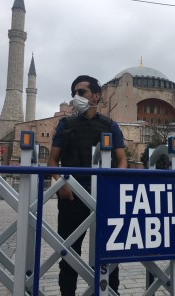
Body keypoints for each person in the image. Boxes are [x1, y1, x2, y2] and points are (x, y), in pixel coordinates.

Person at [48, 75, 127, 296]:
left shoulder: (110, 125)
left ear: (96, 96)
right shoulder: (65, 125)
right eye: (74, 93)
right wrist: (62, 184)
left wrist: (112, 187)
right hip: (72, 197)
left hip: (103, 197)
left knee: (109, 253)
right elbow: (52, 161)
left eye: (81, 92)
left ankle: (109, 292)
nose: (77, 97)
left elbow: (121, 160)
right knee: (69, 253)